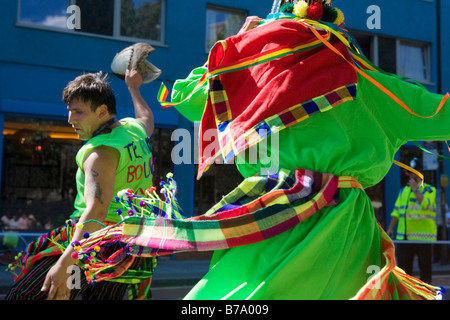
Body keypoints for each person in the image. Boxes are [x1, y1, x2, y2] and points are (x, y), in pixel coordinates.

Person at [75, 0, 448, 299]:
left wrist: (234, 50)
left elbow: (188, 97)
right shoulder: (375, 87)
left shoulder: (249, 80)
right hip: (345, 232)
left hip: (267, 221)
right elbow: (441, 115)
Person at [6, 68, 156, 300]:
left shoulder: (100, 153)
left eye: (78, 112)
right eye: (70, 111)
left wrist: (66, 264)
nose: (70, 119)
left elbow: (96, 210)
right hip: (128, 245)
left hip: (97, 244)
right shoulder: (133, 131)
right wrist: (134, 89)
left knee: (23, 296)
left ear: (102, 111)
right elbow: (147, 119)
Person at [387, 157, 437, 283]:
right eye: (409, 172)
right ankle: (406, 293)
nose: (411, 174)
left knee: (425, 268)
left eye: (414, 171)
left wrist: (415, 189)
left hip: (422, 237)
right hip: (404, 237)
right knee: (404, 269)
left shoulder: (429, 189)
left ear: (420, 173)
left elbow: (425, 205)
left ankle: (426, 295)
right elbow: (396, 211)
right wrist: (390, 228)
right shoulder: (403, 191)